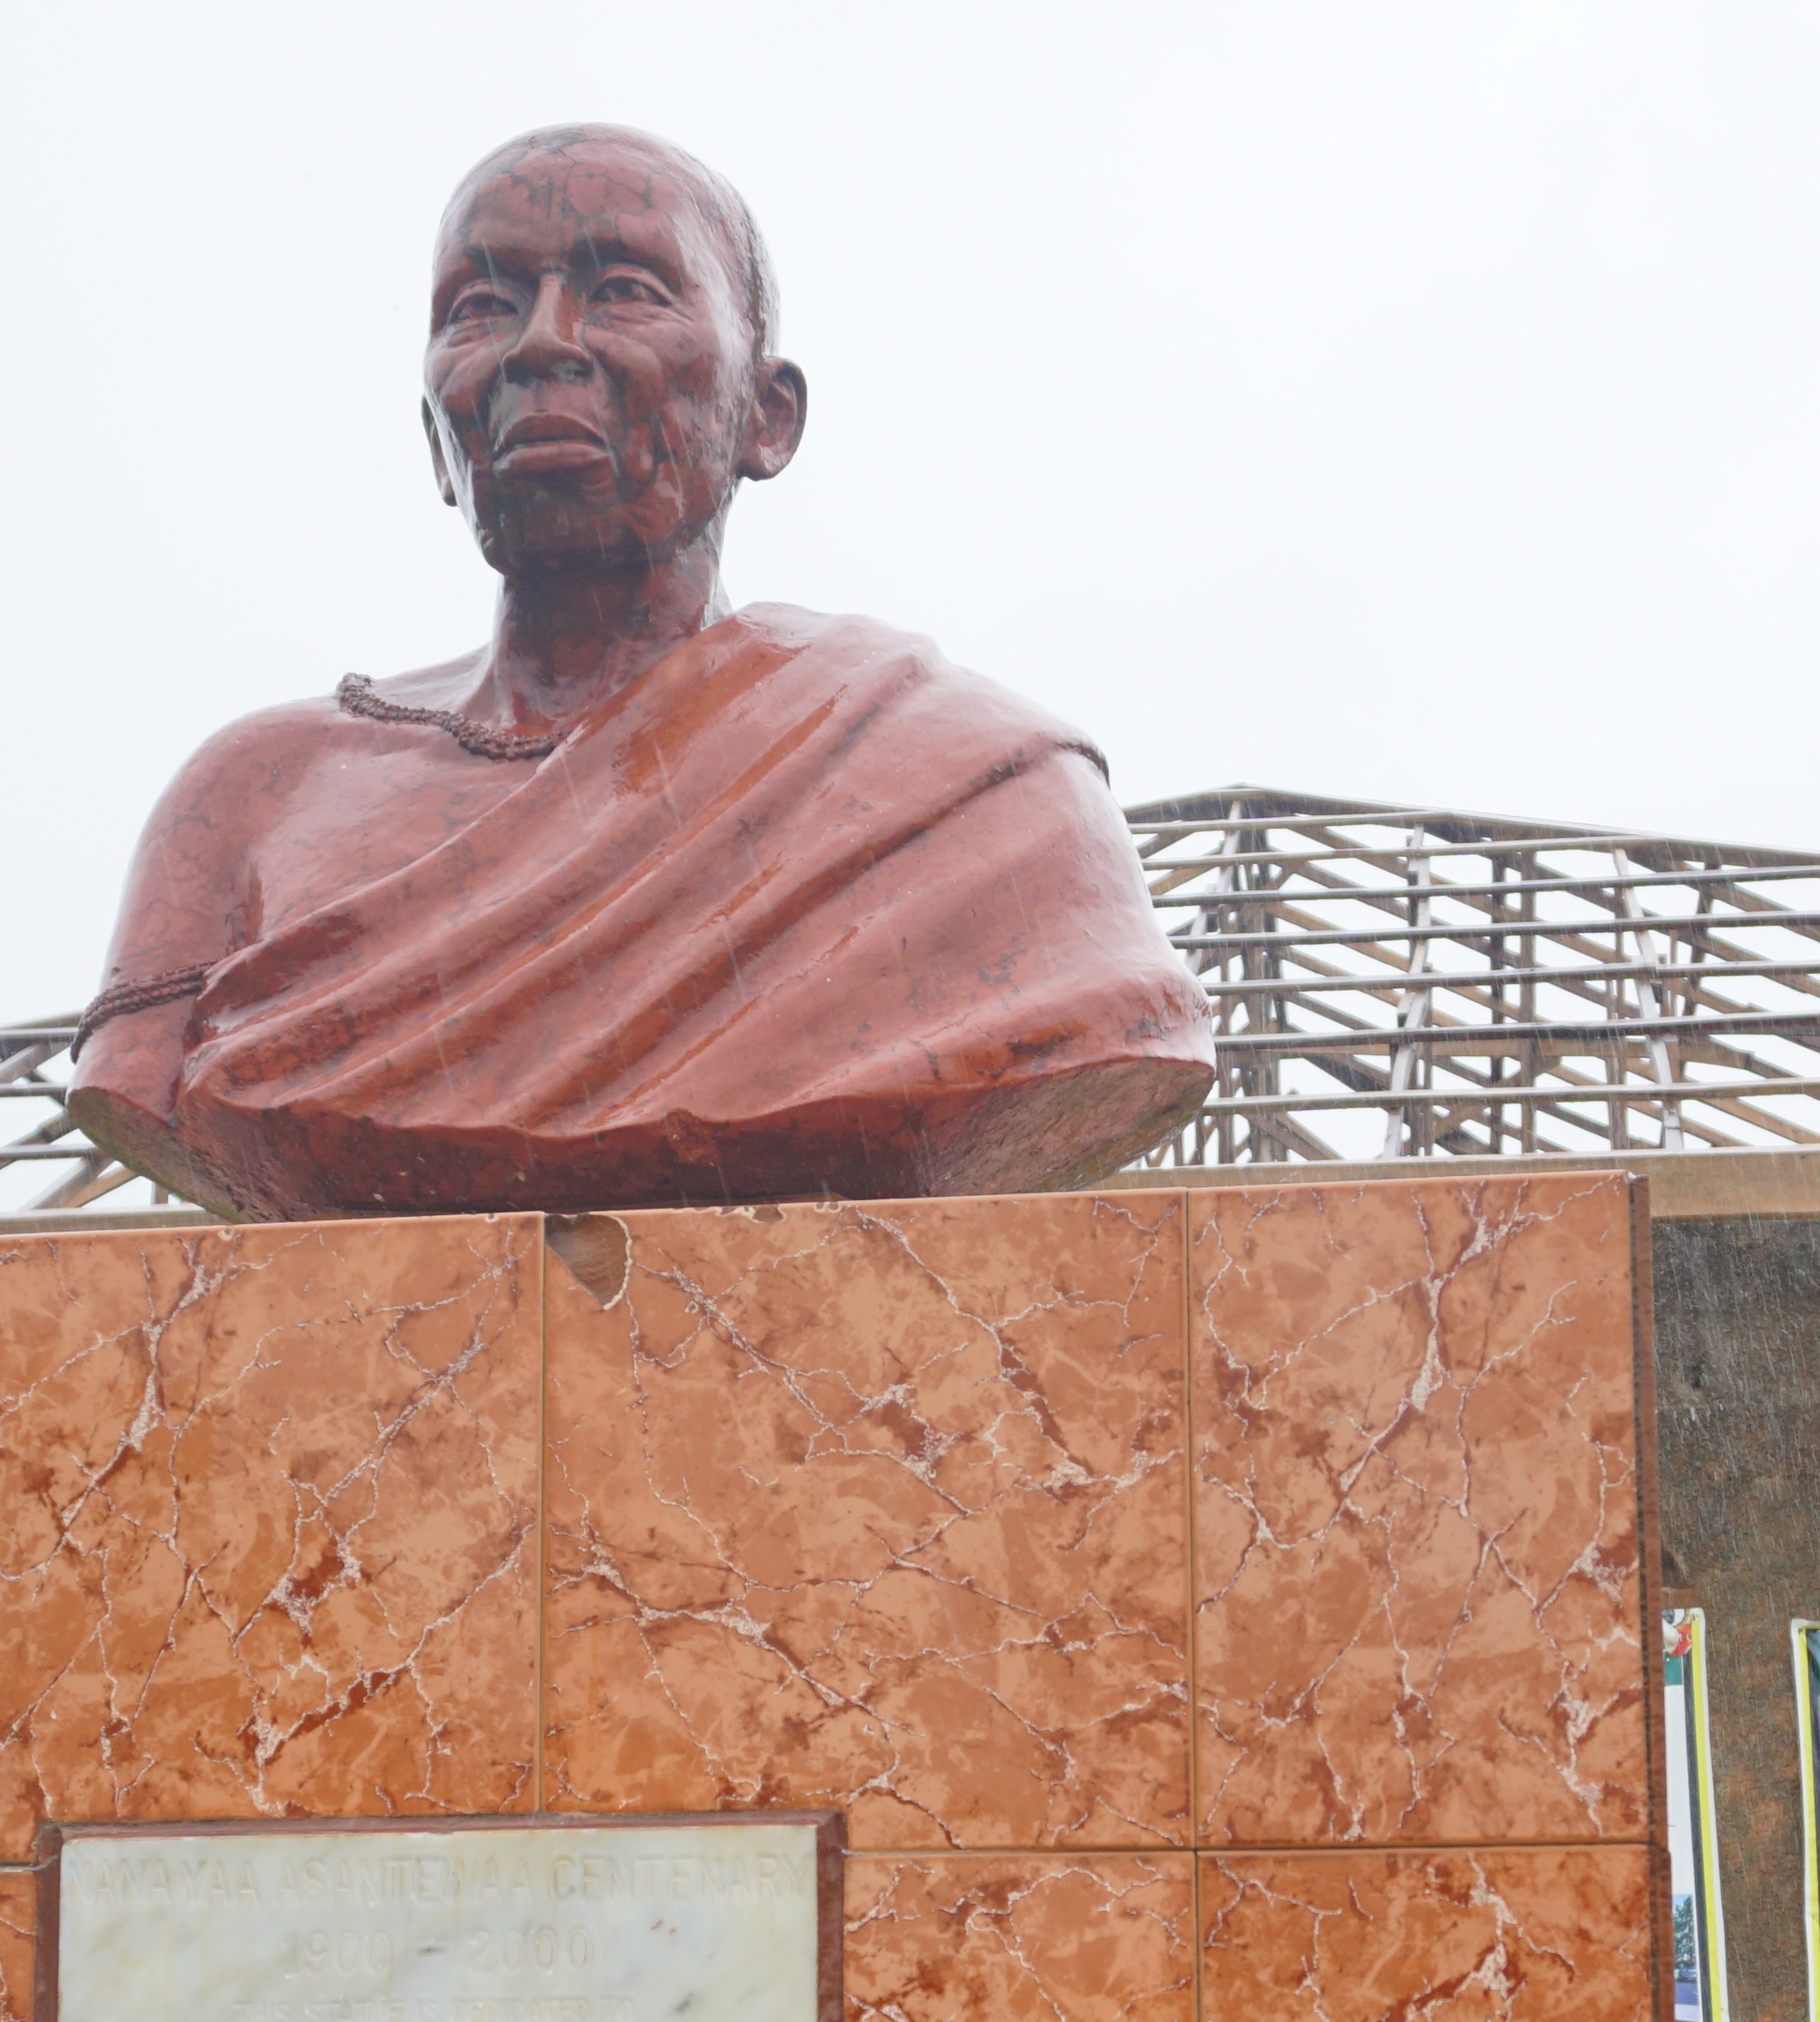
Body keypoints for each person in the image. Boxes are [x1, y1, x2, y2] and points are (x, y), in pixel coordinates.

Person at [68, 126, 1215, 1221]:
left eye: (623, 290)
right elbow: (145, 1076)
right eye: (481, 307)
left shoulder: (979, 790)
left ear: (767, 418)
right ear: (435, 438)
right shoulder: (251, 803)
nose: (541, 344)